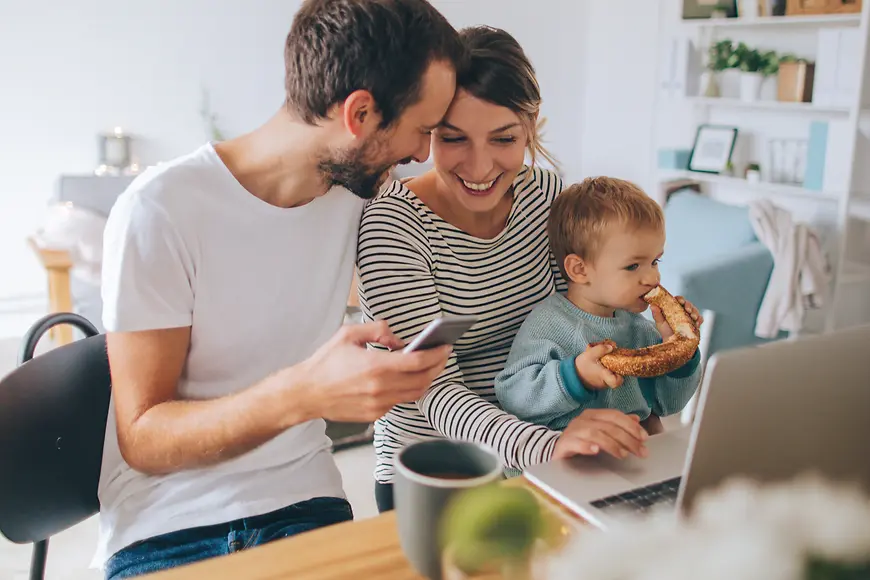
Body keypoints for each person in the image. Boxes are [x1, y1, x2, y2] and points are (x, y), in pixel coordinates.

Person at [95, 1, 465, 578]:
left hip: (304, 503)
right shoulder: (160, 211)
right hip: (170, 525)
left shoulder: (360, 196)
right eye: (421, 130)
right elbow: (142, 437)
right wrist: (302, 394)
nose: (422, 154)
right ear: (360, 114)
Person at [356, 26, 650, 514]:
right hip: (439, 469)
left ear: (530, 126)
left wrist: (634, 415)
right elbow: (437, 392)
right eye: (453, 139)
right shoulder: (393, 225)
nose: (479, 165)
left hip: (552, 449)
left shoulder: (546, 197)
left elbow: (582, 325)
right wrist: (546, 446)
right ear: (428, 131)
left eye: (504, 138)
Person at [494, 177, 704, 438]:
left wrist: (679, 351)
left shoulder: (641, 330)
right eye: (633, 266)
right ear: (580, 270)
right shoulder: (548, 323)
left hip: (629, 457)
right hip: (563, 460)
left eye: (655, 261)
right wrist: (576, 377)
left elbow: (670, 405)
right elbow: (514, 398)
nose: (653, 278)